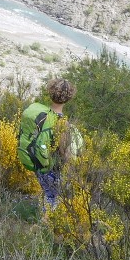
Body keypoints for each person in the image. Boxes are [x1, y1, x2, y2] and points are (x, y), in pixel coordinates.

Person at [23, 78, 82, 210]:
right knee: (53, 200)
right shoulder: (62, 123)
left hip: (38, 164)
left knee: (46, 194)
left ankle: (41, 220)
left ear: (51, 92)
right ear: (69, 98)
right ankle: (44, 227)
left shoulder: (41, 115)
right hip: (52, 169)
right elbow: (64, 153)